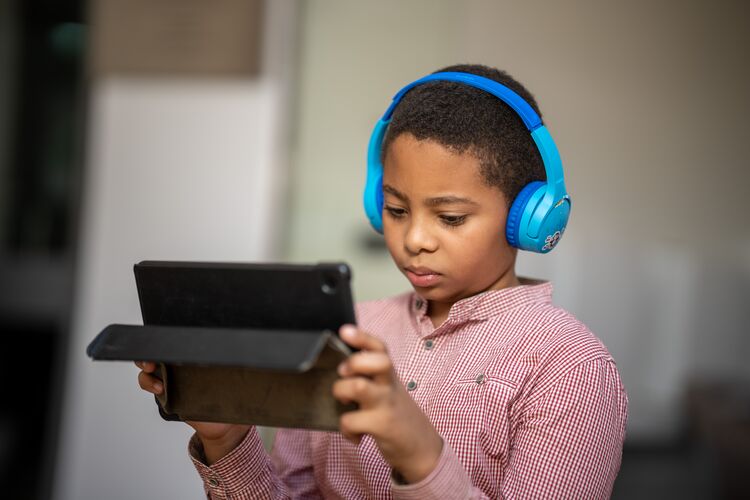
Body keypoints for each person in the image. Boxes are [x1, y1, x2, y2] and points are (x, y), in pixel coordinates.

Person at [136, 63, 628, 499]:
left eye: (451, 218)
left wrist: (419, 454)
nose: (414, 238)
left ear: (529, 216)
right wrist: (227, 440)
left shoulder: (569, 368)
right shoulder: (351, 333)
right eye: (395, 210)